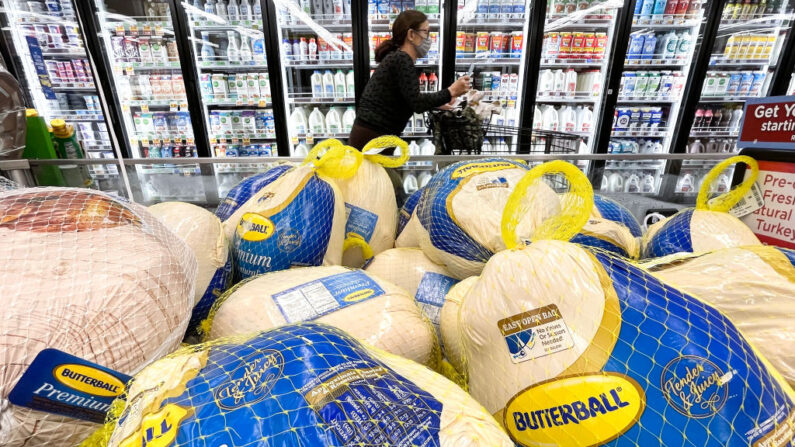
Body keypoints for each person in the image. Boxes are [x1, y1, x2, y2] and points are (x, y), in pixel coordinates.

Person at [349, 10, 472, 150]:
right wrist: (451, 91)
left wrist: (438, 103)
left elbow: (407, 98)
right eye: (426, 32)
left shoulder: (398, 58)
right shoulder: (402, 59)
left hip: (374, 135)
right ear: (411, 35)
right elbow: (417, 103)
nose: (429, 38)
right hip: (372, 136)